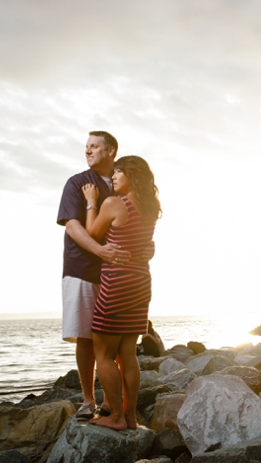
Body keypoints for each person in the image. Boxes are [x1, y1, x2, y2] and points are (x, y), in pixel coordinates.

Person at [56, 131, 152, 421]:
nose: (88, 151)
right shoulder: (77, 183)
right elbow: (73, 228)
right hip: (87, 269)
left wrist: (145, 247)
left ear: (111, 151)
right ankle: (91, 401)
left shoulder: (117, 188)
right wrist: (102, 251)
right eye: (86, 147)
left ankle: (115, 410)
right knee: (91, 338)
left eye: (94, 146)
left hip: (116, 276)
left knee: (110, 346)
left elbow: (106, 228)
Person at [82, 155, 161, 431]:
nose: (113, 176)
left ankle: (114, 416)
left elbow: (92, 232)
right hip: (141, 281)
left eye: (119, 171)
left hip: (117, 282)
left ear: (133, 175)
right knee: (127, 352)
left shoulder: (114, 203)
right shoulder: (150, 207)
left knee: (103, 352)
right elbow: (145, 242)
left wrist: (91, 202)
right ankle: (130, 416)